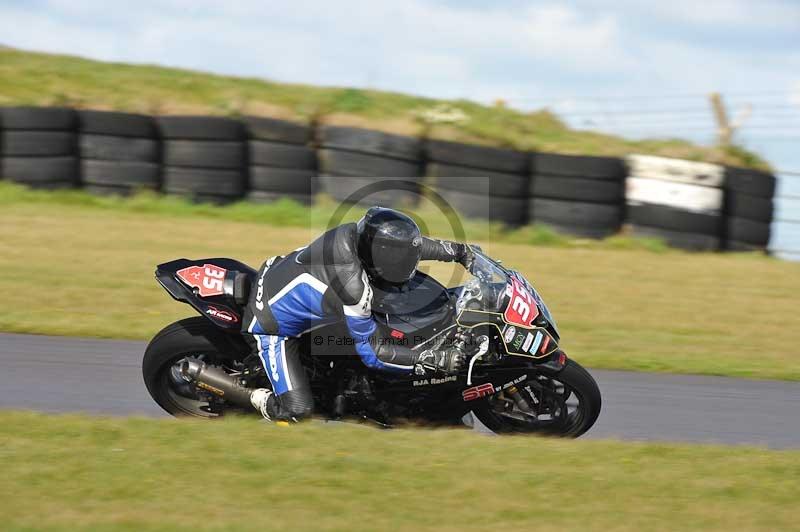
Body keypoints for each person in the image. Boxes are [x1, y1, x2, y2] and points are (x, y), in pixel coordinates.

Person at [243, 206, 473, 422]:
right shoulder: (353, 287)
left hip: (280, 272)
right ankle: (253, 397)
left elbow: (407, 245)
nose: (405, 261)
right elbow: (373, 354)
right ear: (382, 256)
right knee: (298, 411)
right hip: (270, 322)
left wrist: (458, 251)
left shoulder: (357, 235)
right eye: (398, 258)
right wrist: (430, 360)